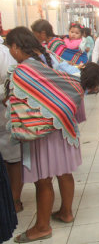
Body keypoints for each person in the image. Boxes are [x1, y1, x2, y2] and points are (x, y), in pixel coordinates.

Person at [5, 27, 99, 243]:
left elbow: (18, 99)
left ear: (15, 46)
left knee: (43, 180)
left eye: (9, 49)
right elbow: (74, 82)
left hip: (43, 131)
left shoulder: (24, 70)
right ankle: (65, 212)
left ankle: (42, 227)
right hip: (63, 127)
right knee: (65, 173)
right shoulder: (48, 58)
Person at [0, 36, 22, 213]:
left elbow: (11, 83)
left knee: (12, 158)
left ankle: (14, 199)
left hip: (5, 113)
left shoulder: (5, 53)